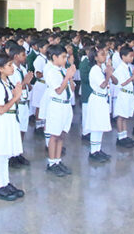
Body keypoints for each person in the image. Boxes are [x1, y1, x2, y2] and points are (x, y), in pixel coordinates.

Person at [0, 52, 25, 200]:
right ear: (0, 68)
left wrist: (17, 95)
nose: (12, 67)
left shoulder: (7, 81)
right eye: (9, 65)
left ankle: (5, 182)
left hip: (10, 120)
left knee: (6, 154)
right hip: (3, 121)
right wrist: (15, 97)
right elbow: (1, 109)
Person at [44, 44, 76, 177]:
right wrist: (67, 76)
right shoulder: (50, 70)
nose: (65, 60)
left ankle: (58, 160)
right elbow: (58, 90)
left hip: (66, 105)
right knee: (54, 135)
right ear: (54, 57)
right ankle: (51, 163)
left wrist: (70, 77)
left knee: (62, 133)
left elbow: (72, 88)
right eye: (63, 57)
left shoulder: (61, 69)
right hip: (57, 105)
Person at [86, 44, 114, 163]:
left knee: (100, 126)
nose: (105, 56)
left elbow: (114, 81)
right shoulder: (95, 70)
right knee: (96, 126)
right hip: (97, 99)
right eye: (102, 54)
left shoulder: (102, 68)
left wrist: (109, 72)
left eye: (105, 54)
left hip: (103, 99)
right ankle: (93, 151)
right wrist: (108, 75)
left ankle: (98, 149)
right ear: (96, 58)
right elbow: (102, 84)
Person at [7, 45, 34, 167]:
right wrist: (25, 82)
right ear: (16, 56)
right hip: (17, 104)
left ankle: (18, 153)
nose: (25, 57)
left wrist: (28, 84)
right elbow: (14, 88)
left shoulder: (22, 68)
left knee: (22, 130)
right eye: (23, 55)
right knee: (15, 131)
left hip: (24, 102)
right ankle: (11, 156)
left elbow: (25, 85)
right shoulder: (11, 70)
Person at [114, 46, 134, 148]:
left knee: (125, 116)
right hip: (123, 94)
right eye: (130, 56)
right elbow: (122, 83)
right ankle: (120, 137)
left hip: (129, 94)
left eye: (133, 56)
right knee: (121, 117)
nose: (132, 58)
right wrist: (133, 77)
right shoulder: (120, 68)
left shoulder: (128, 67)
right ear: (123, 56)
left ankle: (124, 135)